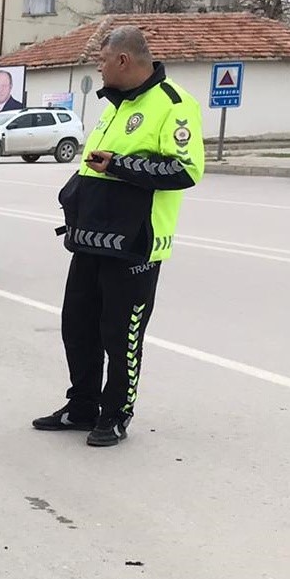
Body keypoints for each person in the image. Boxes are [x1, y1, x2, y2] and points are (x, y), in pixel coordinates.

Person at [33, 25, 203, 448]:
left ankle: (116, 413)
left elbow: (185, 171)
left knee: (120, 334)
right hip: (92, 239)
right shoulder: (115, 106)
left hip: (136, 245)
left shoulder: (173, 105)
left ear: (123, 60)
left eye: (102, 59)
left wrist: (120, 165)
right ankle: (82, 405)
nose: (98, 65)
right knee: (78, 326)